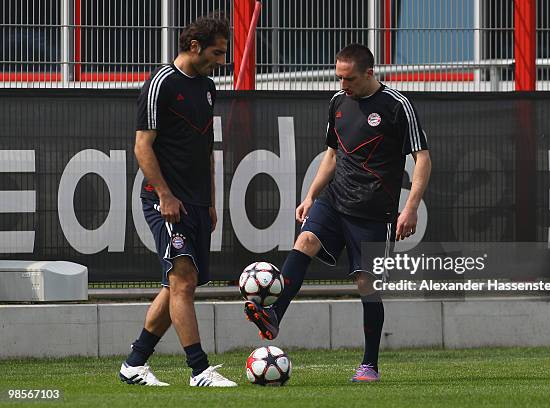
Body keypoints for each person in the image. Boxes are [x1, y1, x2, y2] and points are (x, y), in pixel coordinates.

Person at [244, 43, 431, 383]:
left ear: (370, 73)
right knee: (306, 240)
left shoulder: (396, 106)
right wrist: (312, 195)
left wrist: (411, 207)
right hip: (335, 200)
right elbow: (331, 155)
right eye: (339, 77)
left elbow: (423, 159)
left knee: (366, 285)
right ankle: (274, 313)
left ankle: (369, 364)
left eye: (350, 78)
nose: (343, 84)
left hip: (374, 213)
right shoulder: (337, 102)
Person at [119, 14, 236, 387]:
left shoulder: (207, 87)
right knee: (183, 282)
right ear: (193, 46)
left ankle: (134, 364)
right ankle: (199, 370)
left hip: (197, 202)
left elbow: (206, 148)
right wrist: (166, 195)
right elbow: (142, 146)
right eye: (217, 53)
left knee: (177, 286)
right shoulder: (161, 84)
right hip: (166, 202)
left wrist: (212, 201)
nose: (222, 61)